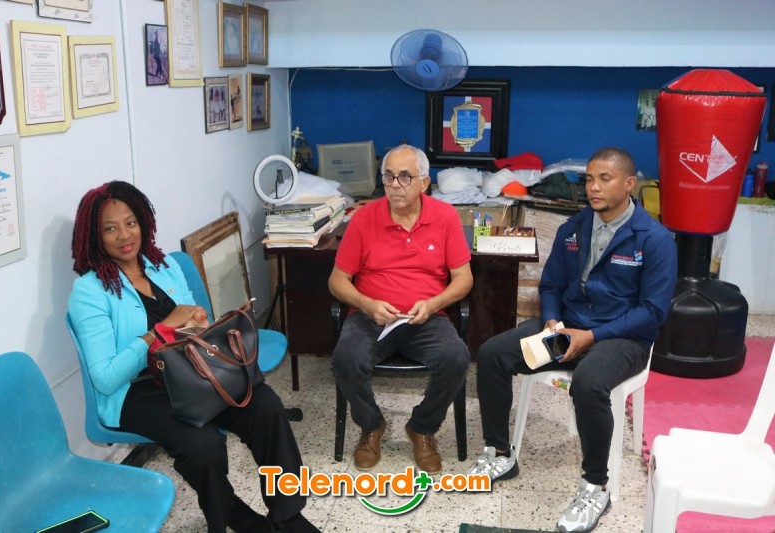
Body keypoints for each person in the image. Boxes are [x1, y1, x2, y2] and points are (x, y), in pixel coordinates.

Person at [67, 181, 319, 533]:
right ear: (94, 237)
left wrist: (202, 323)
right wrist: (157, 332)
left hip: (189, 373)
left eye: (131, 222)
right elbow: (106, 378)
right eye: (110, 228)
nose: (124, 235)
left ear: (143, 222)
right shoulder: (89, 291)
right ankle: (235, 518)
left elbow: (196, 323)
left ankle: (288, 515)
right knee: (202, 445)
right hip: (136, 390)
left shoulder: (163, 265)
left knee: (265, 405)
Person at [467, 148, 677, 532]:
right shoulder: (574, 228)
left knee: (590, 381)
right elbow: (550, 285)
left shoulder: (655, 239)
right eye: (589, 179)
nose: (594, 187)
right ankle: (499, 453)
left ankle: (596, 487)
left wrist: (593, 336)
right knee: (493, 353)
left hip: (622, 337)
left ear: (629, 184)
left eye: (605, 179)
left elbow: (653, 311)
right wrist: (552, 321)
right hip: (567, 330)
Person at [328, 144, 473, 474]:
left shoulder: (445, 216)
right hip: (371, 316)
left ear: (425, 182)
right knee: (345, 359)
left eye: (405, 177)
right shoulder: (364, 218)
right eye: (389, 176)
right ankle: (372, 424)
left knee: (456, 358)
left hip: (426, 317)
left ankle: (422, 427)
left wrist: (434, 303)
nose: (395, 185)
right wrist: (367, 304)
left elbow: (464, 279)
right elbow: (337, 281)